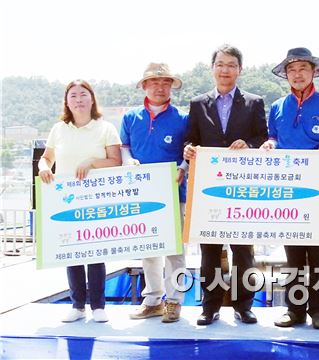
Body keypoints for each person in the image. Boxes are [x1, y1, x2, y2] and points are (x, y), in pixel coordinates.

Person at [184, 44, 268, 326]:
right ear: (212, 68)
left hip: (242, 189)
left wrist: (250, 144)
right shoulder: (197, 104)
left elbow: (263, 139)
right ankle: (210, 306)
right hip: (209, 190)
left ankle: (244, 306)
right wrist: (188, 150)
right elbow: (190, 140)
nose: (225, 70)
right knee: (210, 250)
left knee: (243, 250)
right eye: (220, 64)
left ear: (239, 70)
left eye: (231, 65)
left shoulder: (254, 102)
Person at [262, 47, 319, 330]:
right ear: (286, 75)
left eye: (303, 69)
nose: (297, 75)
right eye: (292, 70)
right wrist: (270, 144)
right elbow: (272, 136)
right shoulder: (276, 106)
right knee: (293, 254)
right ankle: (294, 310)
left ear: (313, 72)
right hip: (288, 191)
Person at [38, 79, 122, 323]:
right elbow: (46, 158)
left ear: (92, 99)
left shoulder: (105, 128)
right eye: (73, 95)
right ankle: (77, 305)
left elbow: (115, 160)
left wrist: (91, 162)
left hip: (96, 197)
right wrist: (44, 167)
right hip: (67, 199)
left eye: (83, 94)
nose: (78, 99)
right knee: (71, 252)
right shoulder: (58, 129)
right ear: (67, 101)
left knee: (95, 252)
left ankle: (98, 306)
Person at [122, 63, 188, 323]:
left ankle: (174, 301)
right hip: (142, 192)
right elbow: (124, 146)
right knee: (148, 247)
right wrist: (128, 160)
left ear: (171, 86)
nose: (160, 87)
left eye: (165, 83)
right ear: (144, 86)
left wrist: (183, 167)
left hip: (174, 192)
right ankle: (152, 300)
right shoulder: (131, 117)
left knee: (175, 251)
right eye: (154, 82)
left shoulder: (183, 118)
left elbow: (189, 151)